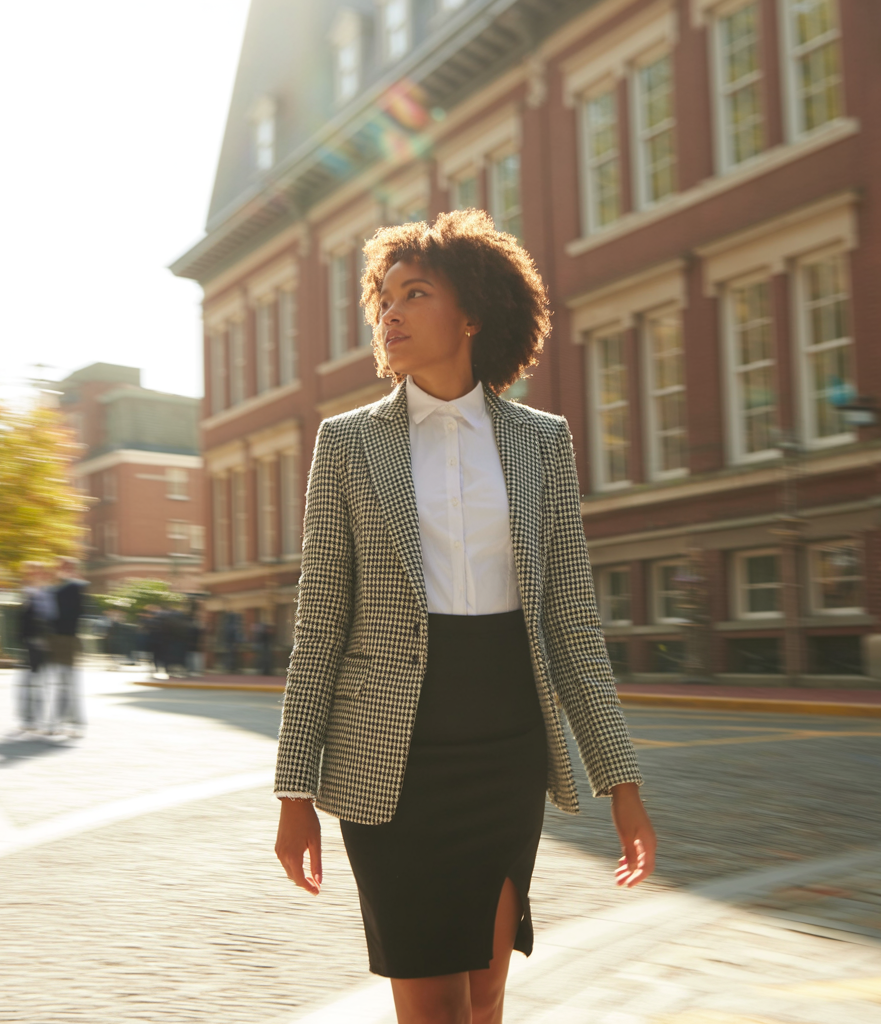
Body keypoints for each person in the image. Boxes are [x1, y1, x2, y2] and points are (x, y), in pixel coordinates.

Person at [274, 210, 656, 1024]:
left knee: (485, 996)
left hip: (507, 751)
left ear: (474, 312)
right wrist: (293, 789)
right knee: (434, 1005)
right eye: (383, 298)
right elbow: (320, 626)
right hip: (391, 760)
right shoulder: (345, 445)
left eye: (415, 293)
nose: (392, 314)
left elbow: (573, 624)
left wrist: (620, 783)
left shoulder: (541, 443)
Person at [46, 556, 86, 737]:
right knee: (60, 684)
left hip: (67, 641)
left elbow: (72, 612)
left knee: (68, 683)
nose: (63, 569)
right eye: (61, 566)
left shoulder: (76, 587)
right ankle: (60, 722)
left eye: (68, 567)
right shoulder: (54, 589)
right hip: (55, 640)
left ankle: (72, 724)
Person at [16, 562, 53, 730]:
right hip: (29, 643)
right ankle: (28, 718)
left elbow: (49, 619)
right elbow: (22, 621)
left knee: (40, 682)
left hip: (42, 643)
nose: (33, 575)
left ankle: (37, 718)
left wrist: (45, 639)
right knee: (28, 681)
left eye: (37, 572)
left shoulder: (46, 595)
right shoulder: (26, 593)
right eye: (31, 572)